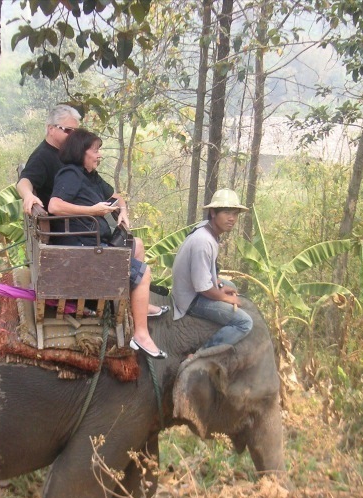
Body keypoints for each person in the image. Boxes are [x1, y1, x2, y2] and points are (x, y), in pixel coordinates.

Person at [48, 128, 167, 359]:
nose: (99, 155)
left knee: (138, 244)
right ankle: (141, 335)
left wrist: (122, 211)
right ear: (81, 152)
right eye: (95, 150)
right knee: (144, 273)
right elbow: (54, 205)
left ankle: (131, 304)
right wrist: (92, 210)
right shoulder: (71, 174)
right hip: (84, 253)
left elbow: (117, 197)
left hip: (96, 245)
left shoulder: (90, 176)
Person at [171, 188, 253, 352]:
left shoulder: (207, 230)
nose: (232, 219)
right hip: (191, 299)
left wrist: (220, 284)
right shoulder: (204, 241)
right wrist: (226, 298)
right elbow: (202, 288)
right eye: (227, 212)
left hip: (194, 287)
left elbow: (205, 272)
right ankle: (202, 354)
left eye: (235, 214)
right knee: (245, 323)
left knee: (231, 286)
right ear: (213, 212)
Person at [17, 104, 82, 215]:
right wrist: (28, 195)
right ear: (51, 129)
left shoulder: (66, 152)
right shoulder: (42, 156)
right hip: (66, 224)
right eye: (68, 130)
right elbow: (25, 180)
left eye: (76, 132)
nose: (73, 136)